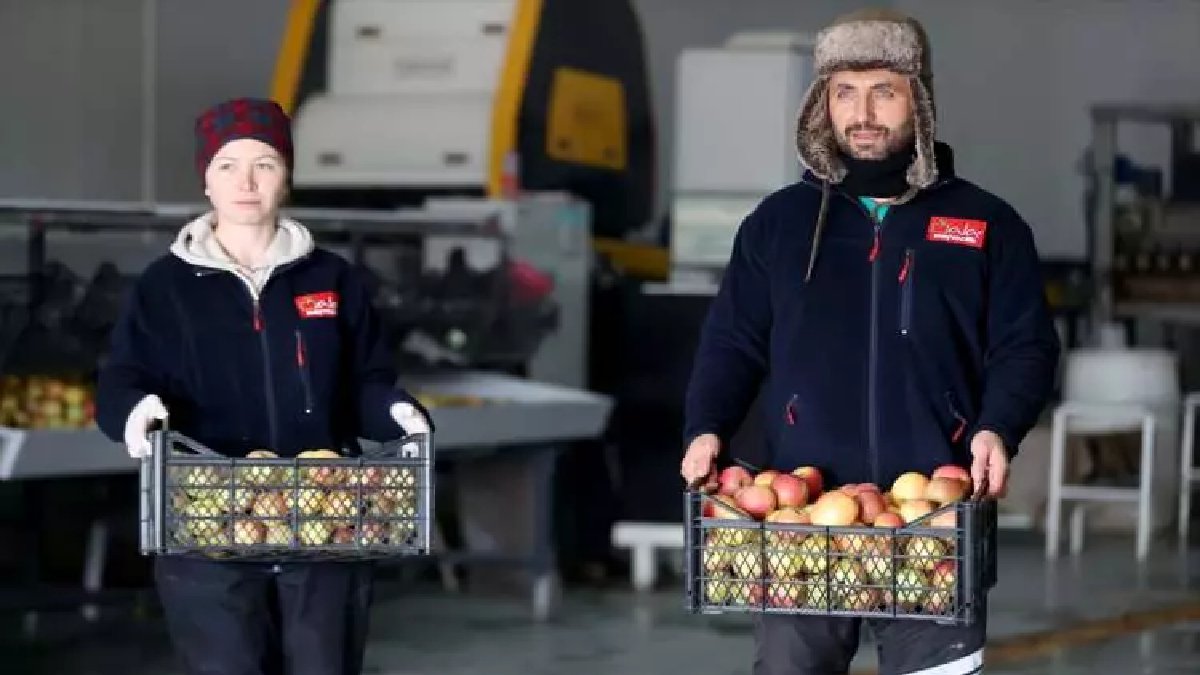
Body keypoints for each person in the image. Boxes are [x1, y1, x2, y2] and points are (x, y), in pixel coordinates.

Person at [679, 8, 1060, 675]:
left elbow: (1024, 346)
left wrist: (998, 427)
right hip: (804, 516)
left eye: (884, 89)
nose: (863, 111)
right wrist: (705, 426)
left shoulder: (984, 224)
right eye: (844, 91)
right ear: (821, 104)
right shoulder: (778, 224)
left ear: (921, 98)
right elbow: (733, 341)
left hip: (934, 526)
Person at [95, 97, 433, 675]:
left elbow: (367, 381)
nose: (246, 182)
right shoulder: (166, 286)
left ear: (287, 177)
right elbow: (121, 378)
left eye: (265, 163)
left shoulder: (334, 279)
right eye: (228, 165)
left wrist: (399, 411)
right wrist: (136, 413)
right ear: (206, 180)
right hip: (207, 526)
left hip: (324, 521)